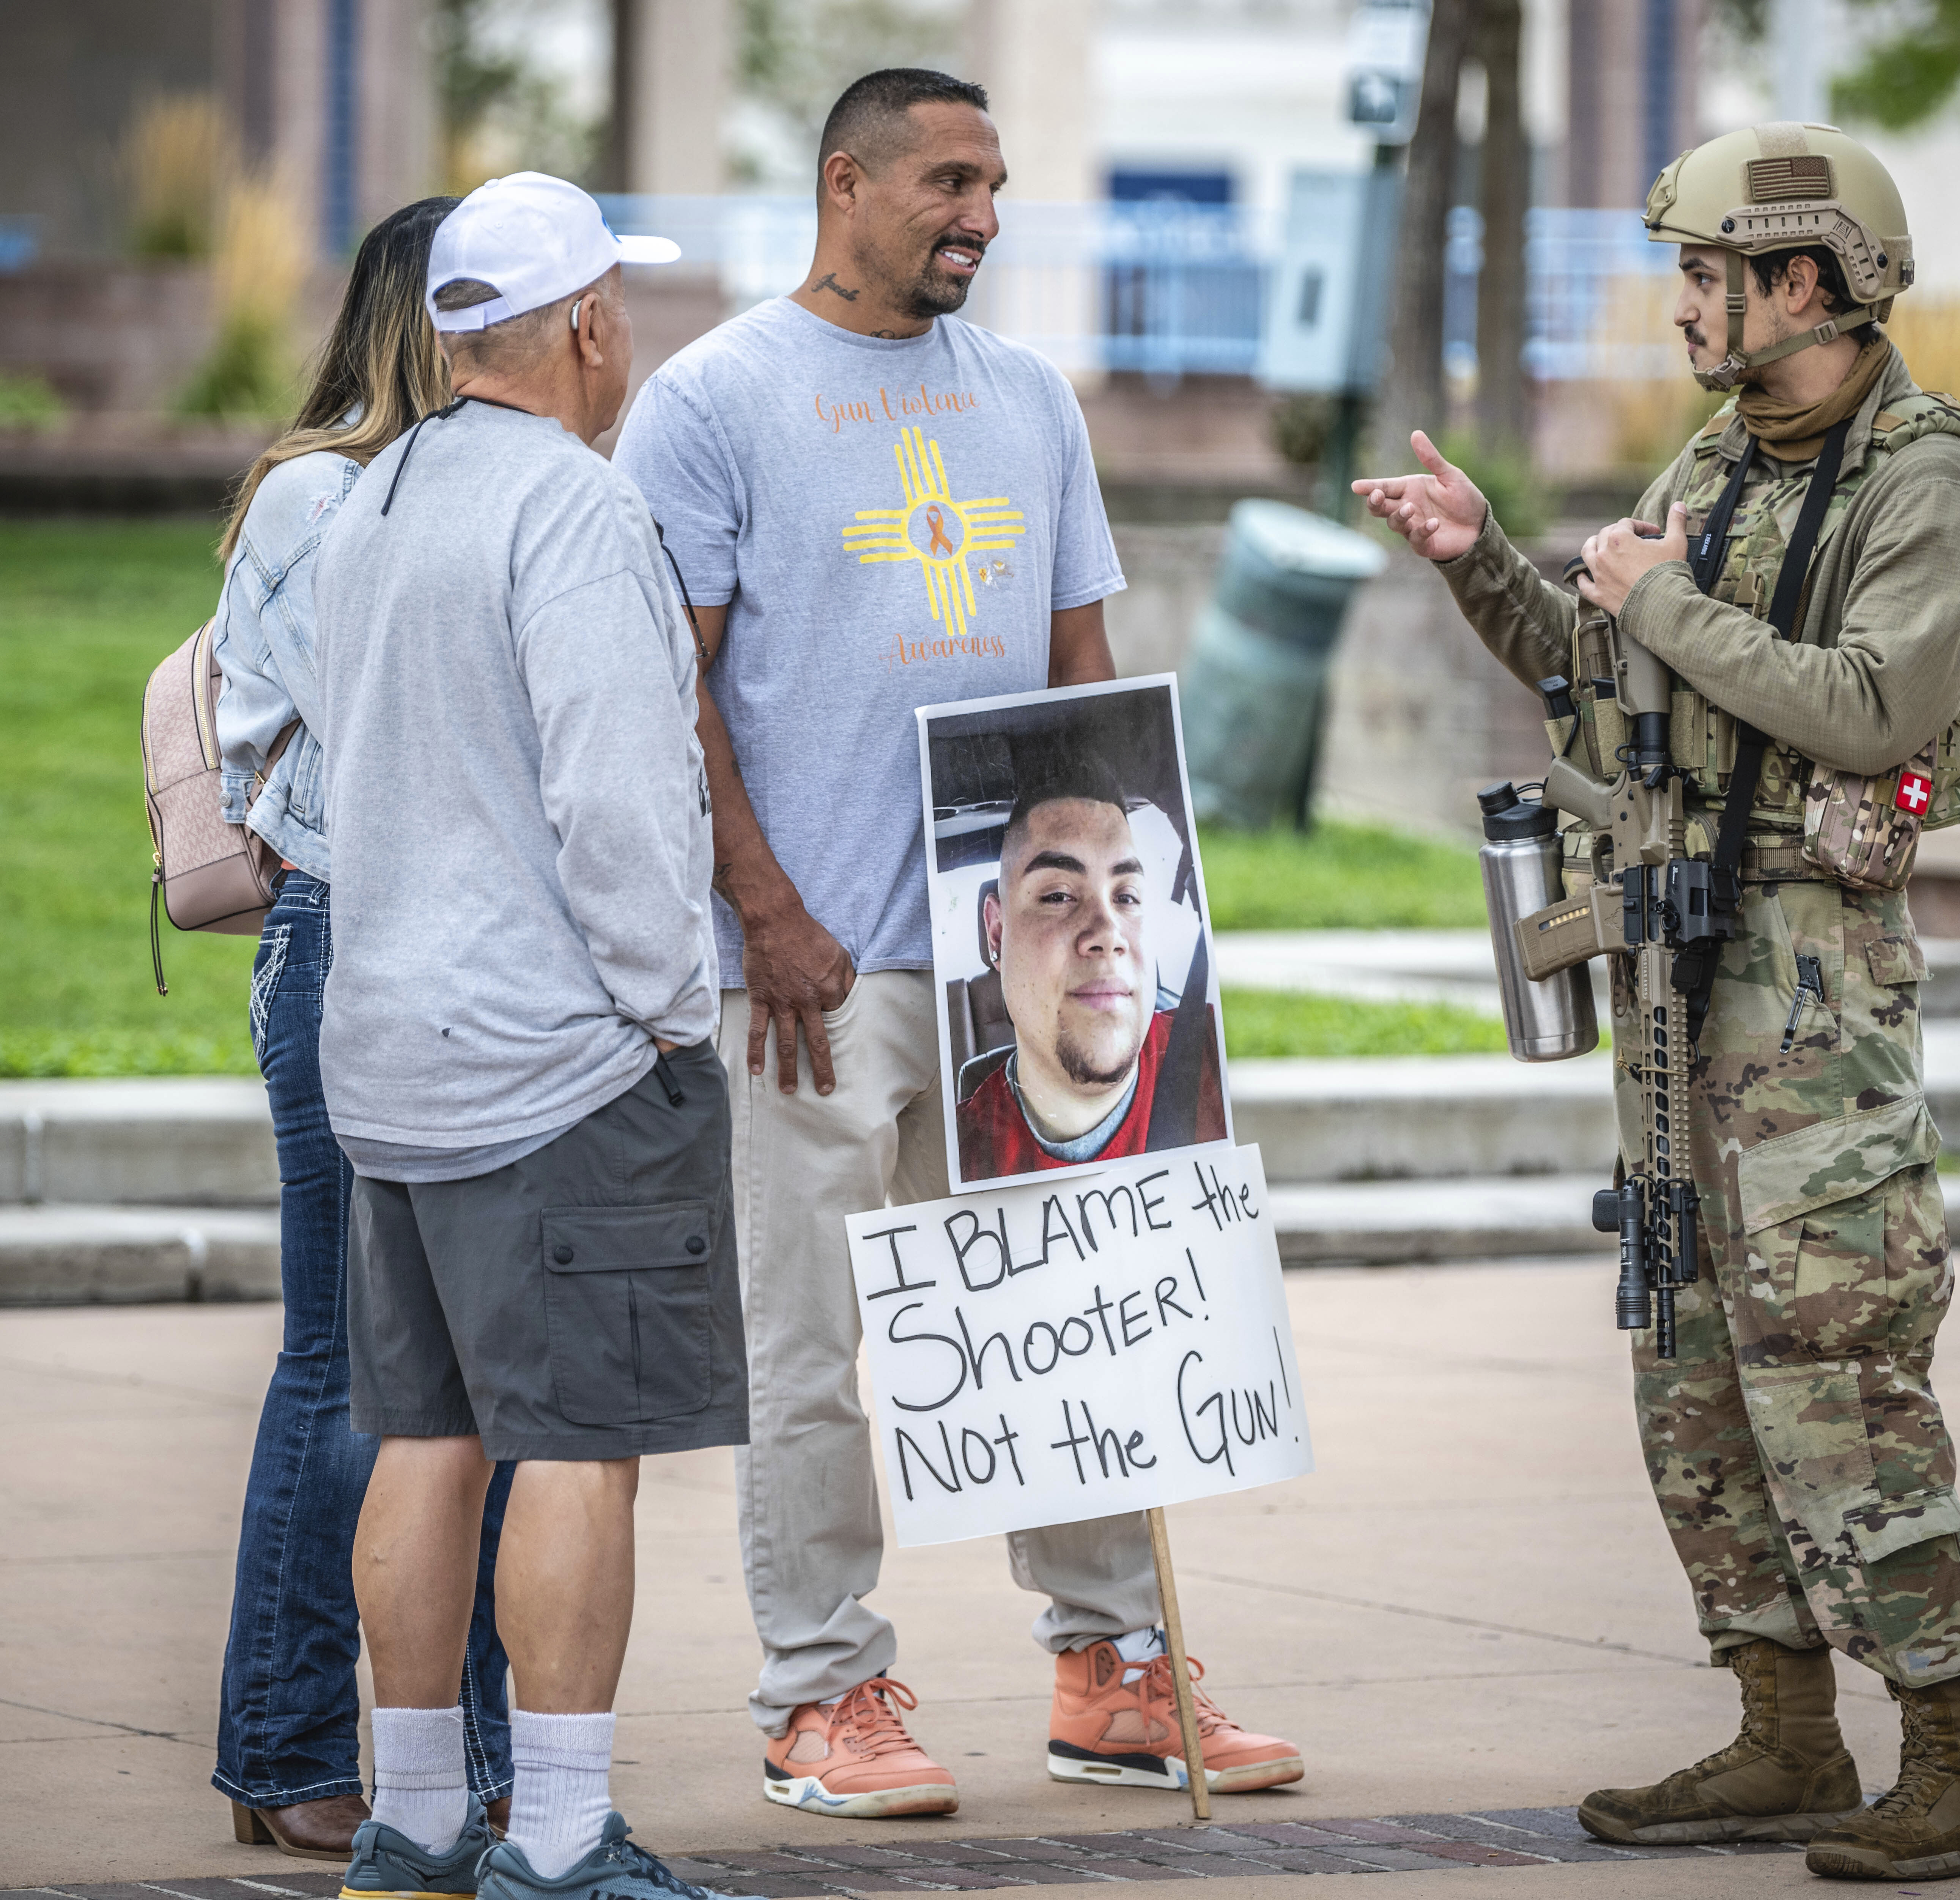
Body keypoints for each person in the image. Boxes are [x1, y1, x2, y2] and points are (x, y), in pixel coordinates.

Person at [1355, 123, 1960, 1885]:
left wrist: (1658, 598)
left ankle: (1955, 1758)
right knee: (1684, 1359)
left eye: (1702, 275)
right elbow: (1609, 694)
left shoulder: (1920, 475)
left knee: (1835, 1365)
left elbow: (1876, 705)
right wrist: (1480, 561)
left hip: (1808, 988)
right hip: (1672, 976)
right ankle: (1783, 1730)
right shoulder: (1717, 463)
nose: (1678, 306)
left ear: (1795, 280)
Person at [613, 68, 1299, 1817]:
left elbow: (1079, 669)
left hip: (1022, 964)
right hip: (815, 968)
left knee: (1067, 1308)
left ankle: (1113, 1666)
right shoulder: (714, 400)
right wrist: (759, 907)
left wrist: (1121, 949)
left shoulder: (1026, 398)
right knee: (810, 1340)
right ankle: (820, 1689)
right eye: (946, 180)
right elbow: (664, 682)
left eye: (992, 184)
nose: (979, 214)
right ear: (845, 184)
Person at [309, 170, 745, 1900]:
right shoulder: (574, 508)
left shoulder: (368, 505)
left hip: (389, 1059)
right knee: (573, 1445)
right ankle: (559, 1837)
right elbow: (625, 806)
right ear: (585, 323)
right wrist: (667, 1014)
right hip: (557, 1061)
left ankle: (410, 1817)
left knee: (426, 1433)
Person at [209, 194, 516, 1861]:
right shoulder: (327, 491)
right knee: (350, 1366)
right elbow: (404, 718)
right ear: (438, 314)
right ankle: (287, 1740)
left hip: (441, 944)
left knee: (446, 1382)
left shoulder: (444, 489)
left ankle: (441, 1747)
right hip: (348, 934)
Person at [957, 766, 1225, 1181]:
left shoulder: (1219, 1057)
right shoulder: (954, 1155)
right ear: (997, 932)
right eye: (1058, 896)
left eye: (1127, 896)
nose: (1107, 934)